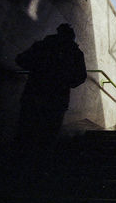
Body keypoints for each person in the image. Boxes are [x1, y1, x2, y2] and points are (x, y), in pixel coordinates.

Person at [15, 23, 87, 154]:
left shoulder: (42, 46)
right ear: (72, 37)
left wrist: (37, 70)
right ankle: (42, 163)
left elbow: (21, 59)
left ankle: (19, 161)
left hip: (34, 93)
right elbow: (81, 76)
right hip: (57, 98)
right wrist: (65, 81)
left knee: (25, 129)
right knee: (49, 134)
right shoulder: (74, 53)